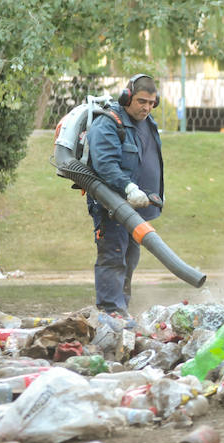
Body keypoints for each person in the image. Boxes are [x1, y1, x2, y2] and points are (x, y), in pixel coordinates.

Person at [86, 74, 164, 316]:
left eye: (152, 103)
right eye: (142, 101)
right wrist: (129, 188)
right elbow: (106, 165)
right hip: (112, 206)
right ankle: (111, 313)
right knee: (113, 255)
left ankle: (122, 310)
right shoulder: (108, 123)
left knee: (130, 257)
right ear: (127, 96)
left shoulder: (147, 123)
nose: (147, 107)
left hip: (137, 208)